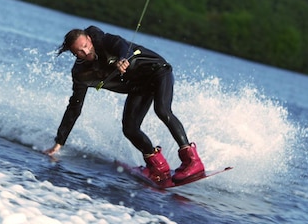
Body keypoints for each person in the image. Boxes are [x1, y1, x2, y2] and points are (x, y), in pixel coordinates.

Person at [44, 26, 204, 185]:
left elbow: (121, 45)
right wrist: (60, 141)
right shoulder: (80, 74)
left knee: (162, 110)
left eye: (86, 46)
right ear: (74, 54)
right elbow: (75, 107)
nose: (86, 53)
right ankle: (158, 167)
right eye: (79, 51)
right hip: (140, 86)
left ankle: (192, 160)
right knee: (130, 128)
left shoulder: (104, 40)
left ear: (89, 40)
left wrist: (122, 58)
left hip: (158, 71)